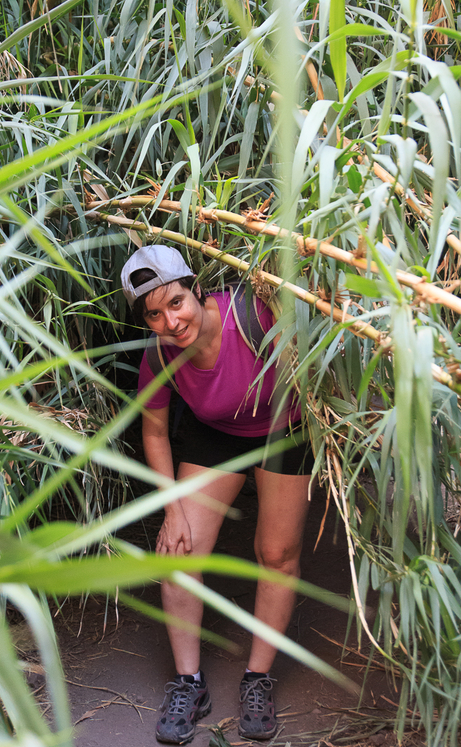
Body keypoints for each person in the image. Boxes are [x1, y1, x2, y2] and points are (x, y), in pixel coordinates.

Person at [121, 244, 313, 745]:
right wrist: (171, 511)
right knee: (177, 552)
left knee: (276, 553)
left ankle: (258, 679)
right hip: (217, 434)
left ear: (196, 289)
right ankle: (190, 683)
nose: (171, 320)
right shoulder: (159, 355)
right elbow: (155, 433)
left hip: (283, 429)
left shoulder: (255, 314)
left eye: (176, 302)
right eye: (155, 314)